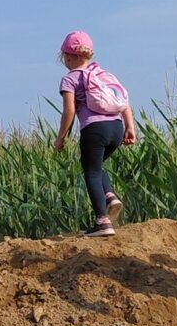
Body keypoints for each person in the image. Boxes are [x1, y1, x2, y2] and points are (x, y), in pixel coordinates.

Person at [53, 30, 137, 238]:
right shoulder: (104, 75)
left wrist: (61, 137)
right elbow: (123, 102)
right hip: (116, 128)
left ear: (68, 56)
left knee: (90, 171)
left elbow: (69, 111)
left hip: (94, 129)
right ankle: (110, 197)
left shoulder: (70, 79)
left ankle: (102, 222)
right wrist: (130, 128)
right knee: (96, 166)